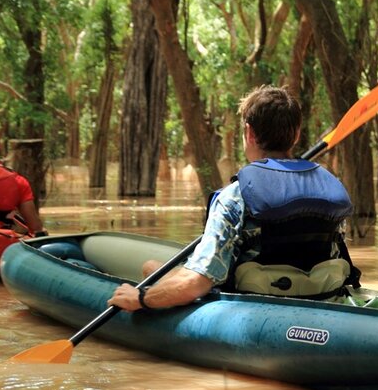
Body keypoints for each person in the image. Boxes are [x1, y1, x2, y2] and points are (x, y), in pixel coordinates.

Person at [108, 85, 357, 312]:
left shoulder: (235, 197)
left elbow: (196, 284)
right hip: (323, 297)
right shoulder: (328, 186)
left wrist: (141, 298)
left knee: (150, 268)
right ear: (296, 135)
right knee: (153, 267)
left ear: (249, 133)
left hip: (254, 304)